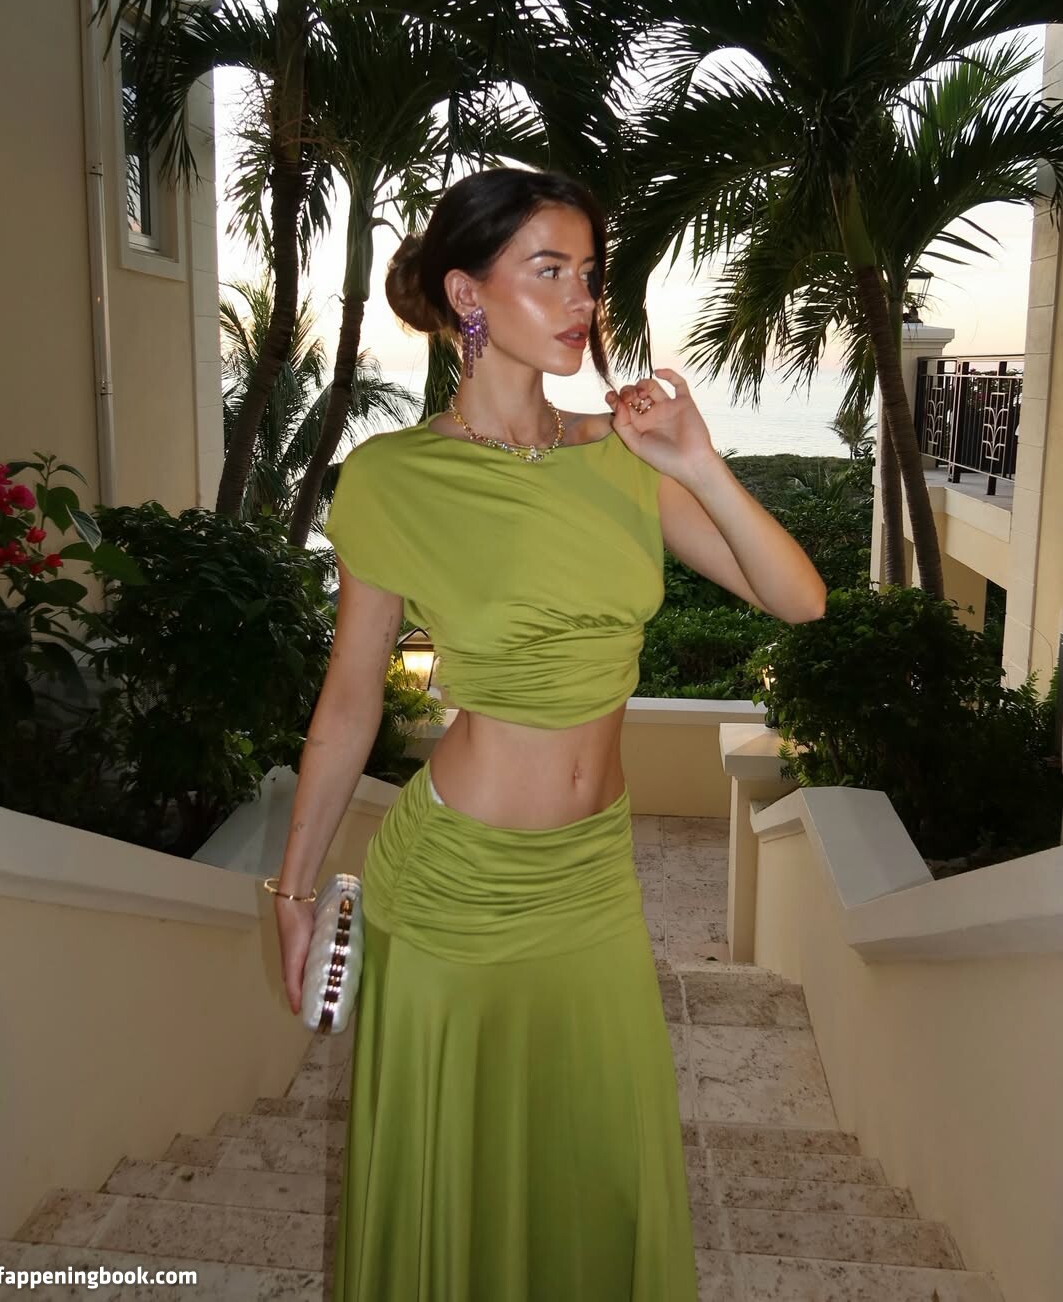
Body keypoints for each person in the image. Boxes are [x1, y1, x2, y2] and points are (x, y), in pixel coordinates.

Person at [269, 167, 827, 1301]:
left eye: (590, 274)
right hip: (454, 889)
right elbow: (351, 699)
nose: (583, 299)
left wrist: (697, 459)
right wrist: (294, 888)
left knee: (598, 1173)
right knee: (459, 1180)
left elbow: (799, 599)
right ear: (468, 294)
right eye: (550, 270)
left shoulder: (622, 455)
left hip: (592, 882)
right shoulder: (395, 476)